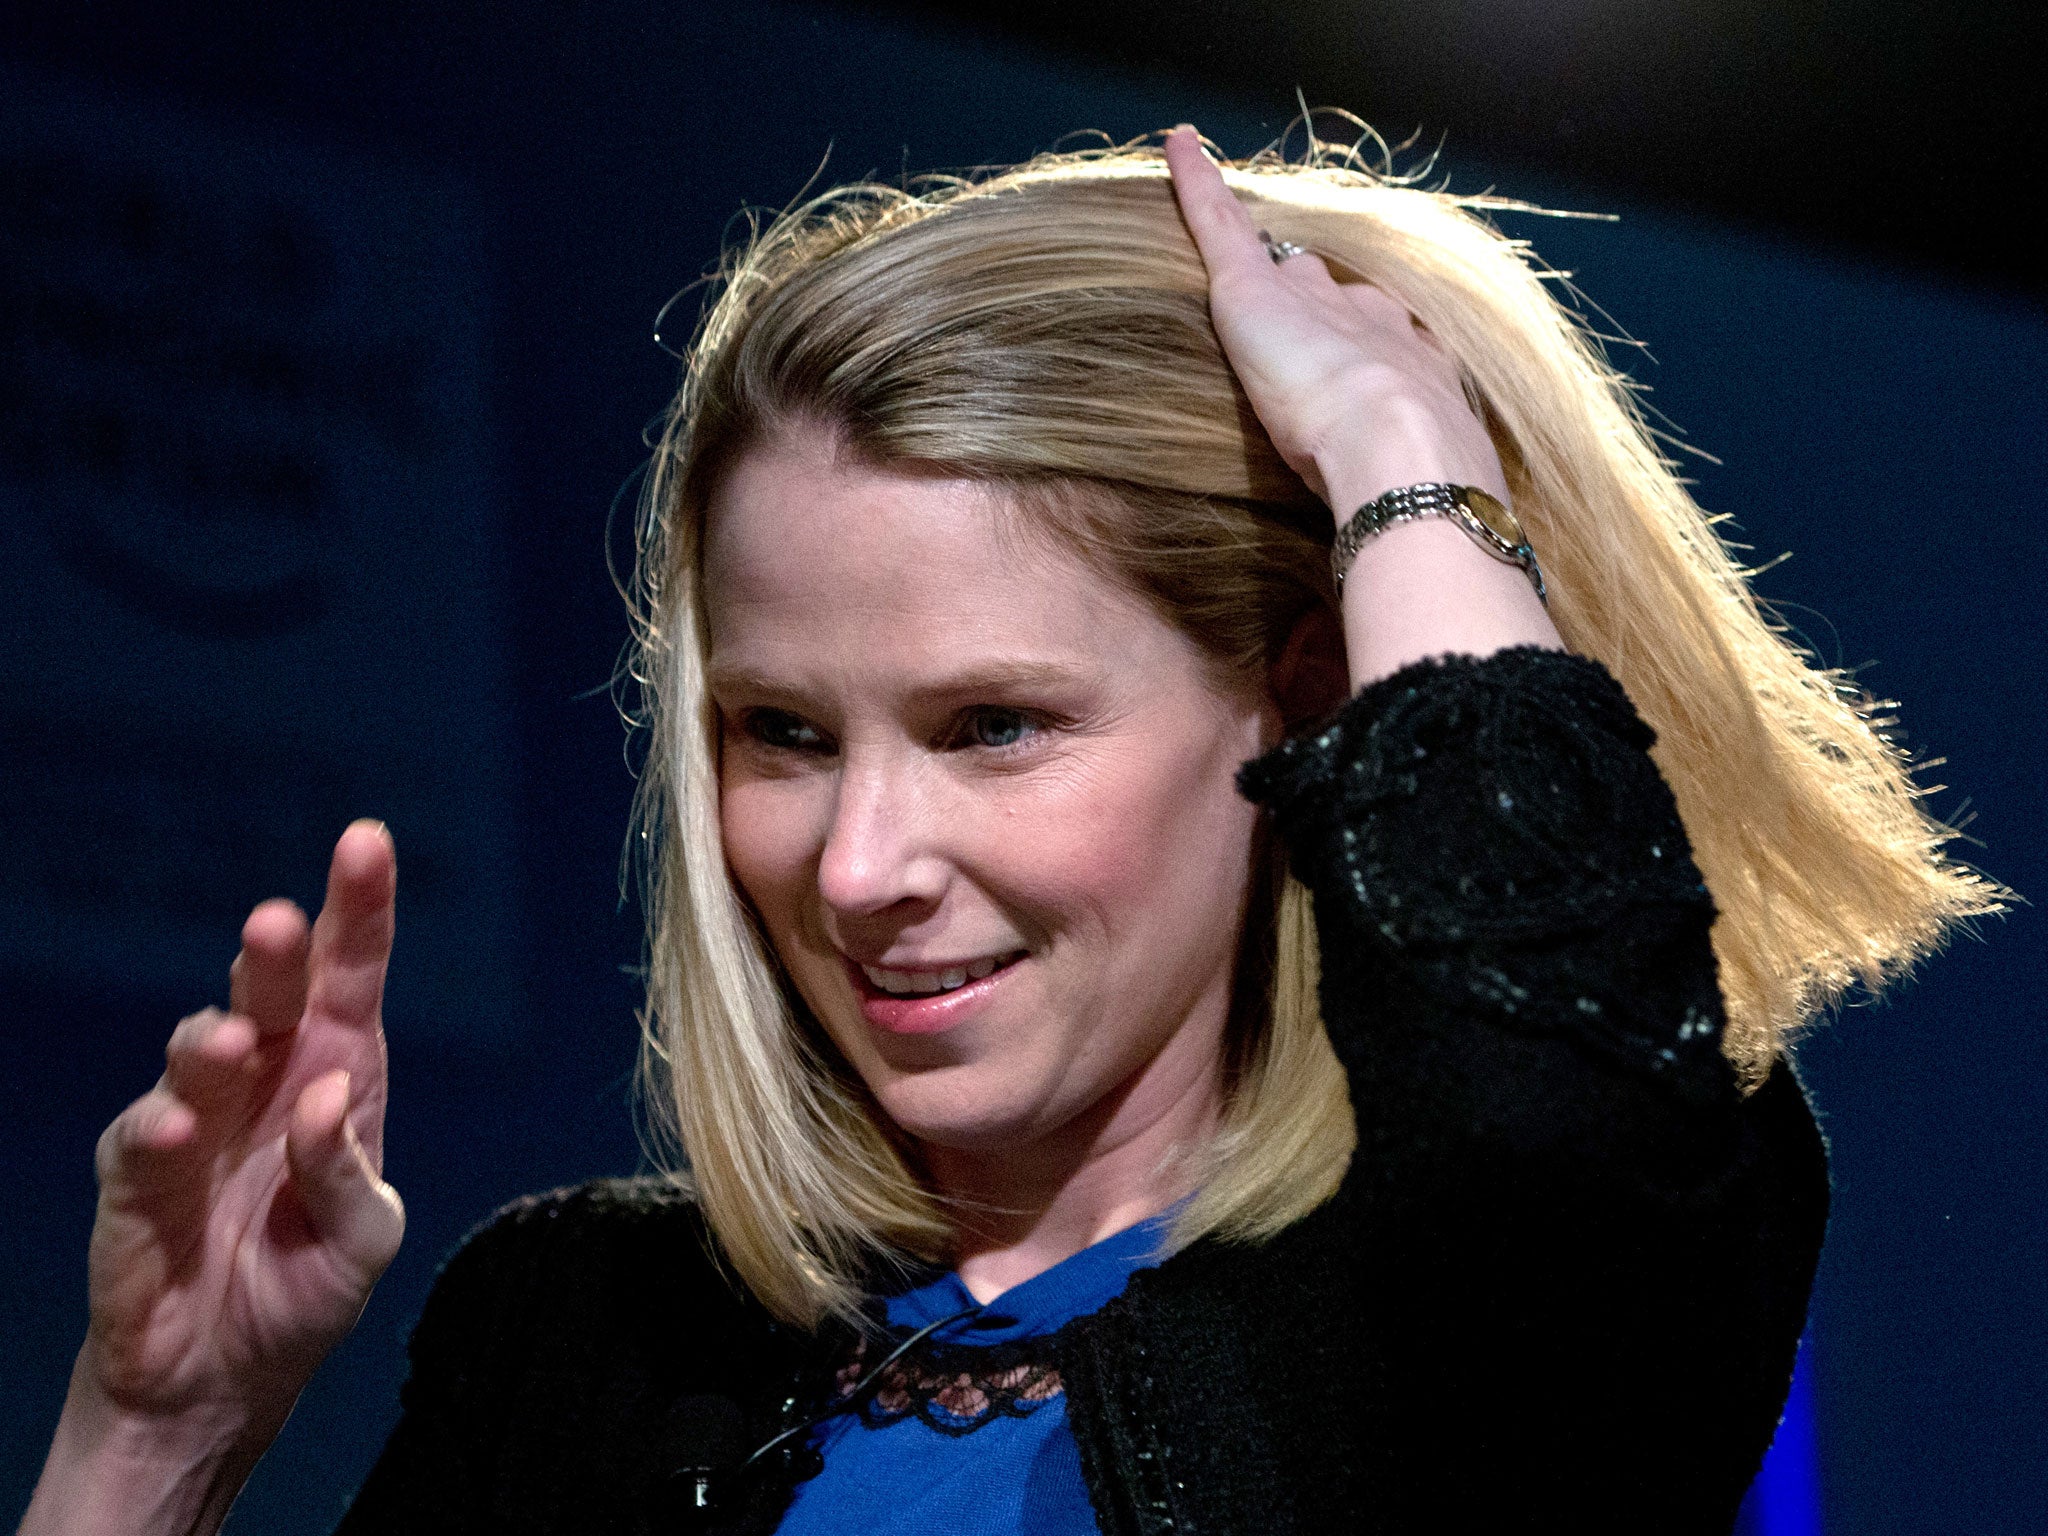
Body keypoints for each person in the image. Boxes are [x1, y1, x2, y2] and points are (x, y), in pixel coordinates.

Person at [20, 125, 1999, 1535]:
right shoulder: (582, 1332)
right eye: (784, 732)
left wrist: (1405, 470)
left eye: (992, 728)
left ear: (1311, 700)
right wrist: (153, 1443)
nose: (860, 860)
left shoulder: (1466, 1316)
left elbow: (1544, 1105)